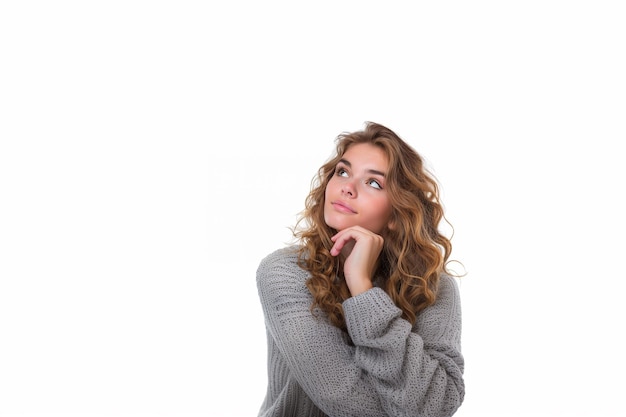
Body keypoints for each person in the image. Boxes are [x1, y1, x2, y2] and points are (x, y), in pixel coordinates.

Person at [256, 122, 464, 417]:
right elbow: (347, 403)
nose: (347, 188)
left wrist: (362, 288)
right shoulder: (285, 272)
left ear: (396, 213)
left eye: (374, 183)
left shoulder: (433, 285)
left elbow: (437, 404)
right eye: (342, 171)